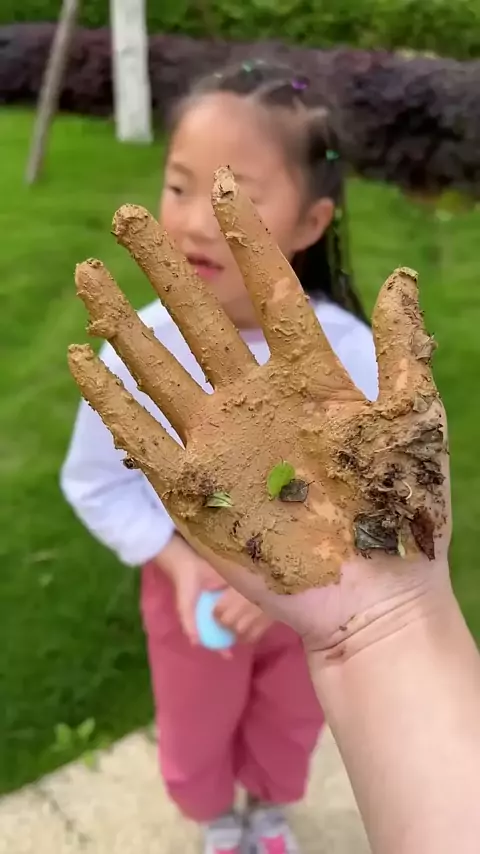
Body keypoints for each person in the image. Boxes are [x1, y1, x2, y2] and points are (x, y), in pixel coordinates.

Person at [61, 60, 379, 854]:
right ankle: (215, 821)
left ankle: (267, 813)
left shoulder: (347, 359)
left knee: (290, 718)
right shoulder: (140, 355)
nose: (197, 222)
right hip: (193, 599)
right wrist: (178, 563)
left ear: (311, 222)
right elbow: (96, 482)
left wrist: (303, 565)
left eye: (234, 195)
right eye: (179, 186)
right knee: (196, 723)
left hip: (311, 604)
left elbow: (369, 491)